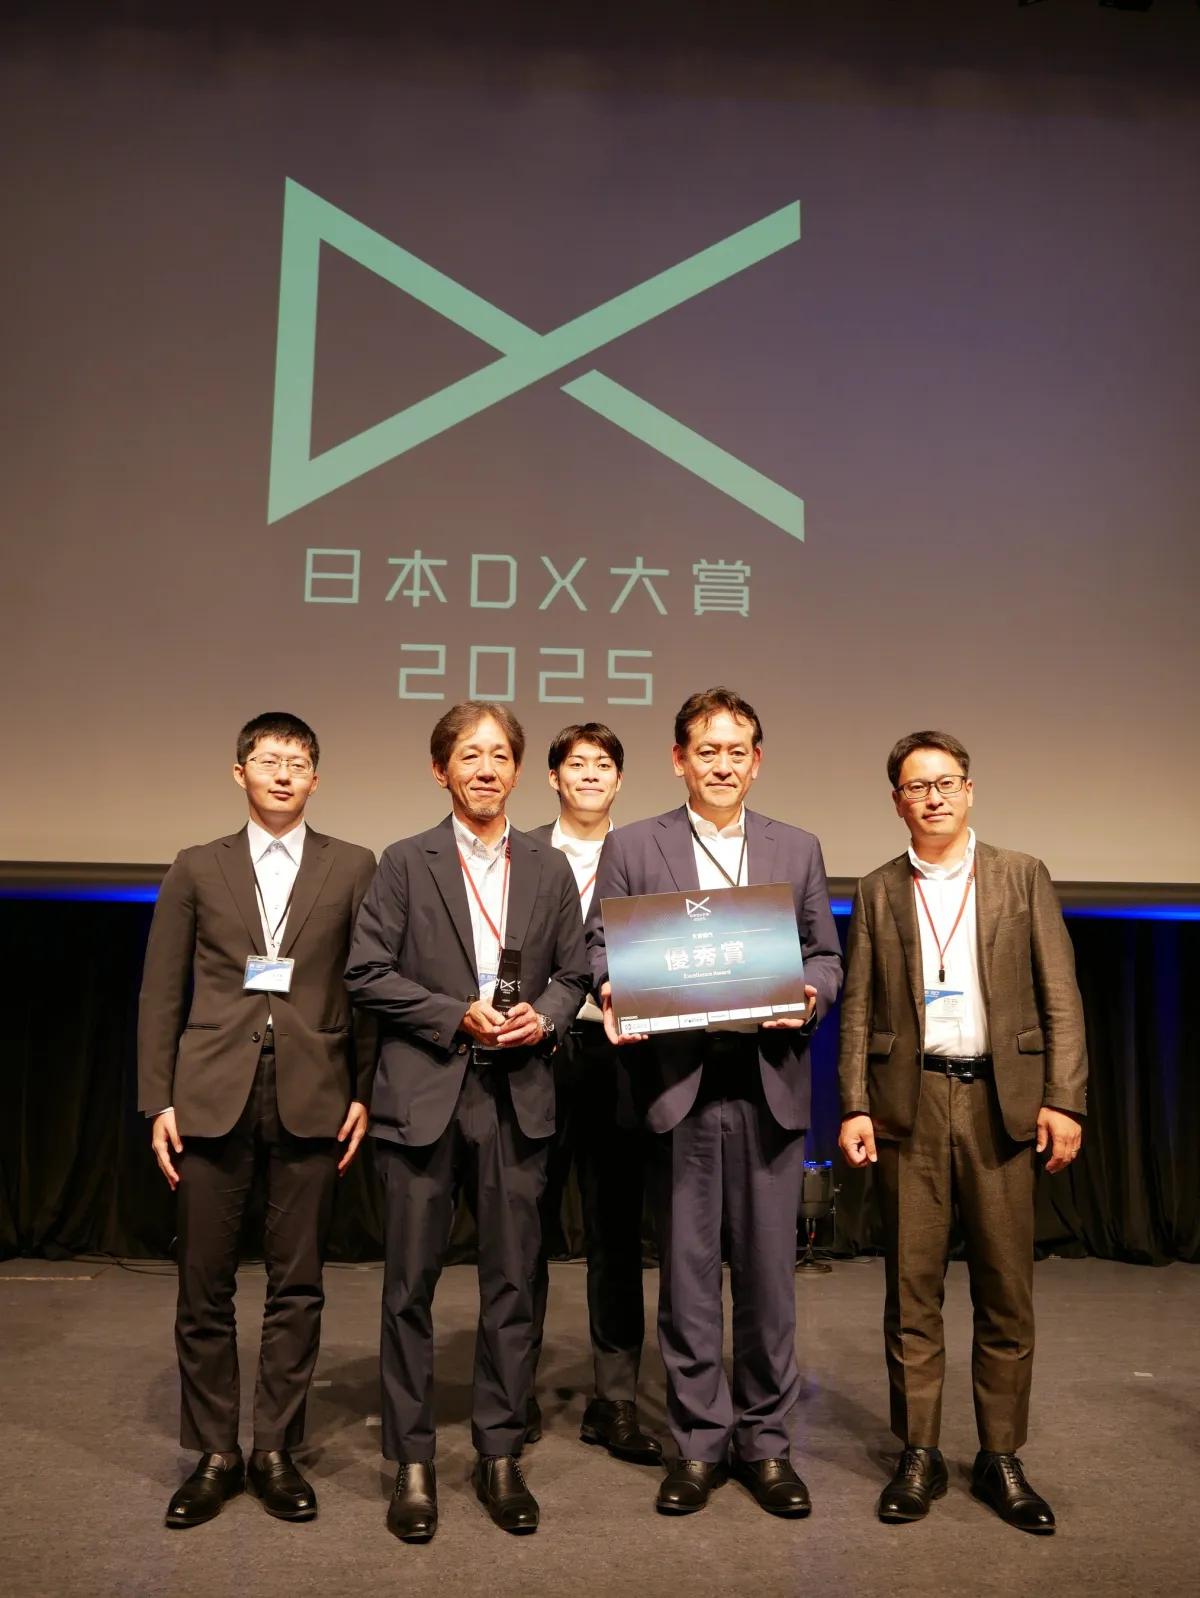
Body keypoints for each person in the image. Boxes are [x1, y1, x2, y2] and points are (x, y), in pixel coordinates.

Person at [586, 688, 843, 1518]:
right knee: (688, 1279)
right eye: (707, 750)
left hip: (768, 1083)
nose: (722, 765)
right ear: (679, 760)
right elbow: (602, 945)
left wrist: (810, 993)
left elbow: (826, 956)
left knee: (770, 1282)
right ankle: (698, 1443)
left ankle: (765, 1444)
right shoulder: (633, 845)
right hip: (679, 1086)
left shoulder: (796, 846)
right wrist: (611, 986)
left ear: (756, 761)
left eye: (737, 751)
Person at [344, 702, 591, 1543]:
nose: (485, 769)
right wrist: (455, 1014)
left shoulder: (549, 867)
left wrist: (544, 1018)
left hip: (517, 1095)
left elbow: (574, 973)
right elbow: (366, 972)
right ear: (440, 769)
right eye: (469, 755)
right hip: (423, 1097)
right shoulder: (403, 862)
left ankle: (499, 1454)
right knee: (408, 1288)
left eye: (499, 756)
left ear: (518, 771)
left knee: (513, 1285)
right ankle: (412, 1462)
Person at [838, 730, 1087, 1534]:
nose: (934, 797)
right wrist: (854, 1104)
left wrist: (1066, 1100)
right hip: (909, 1107)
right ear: (898, 802)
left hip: (1000, 1106)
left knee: (1006, 1291)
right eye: (917, 786)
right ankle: (919, 1452)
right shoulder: (878, 889)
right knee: (911, 1291)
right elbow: (858, 1008)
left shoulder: (1021, 874)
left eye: (946, 782)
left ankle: (1000, 1455)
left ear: (969, 791)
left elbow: (1061, 997)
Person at [138, 712, 377, 1528]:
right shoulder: (197, 866)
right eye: (269, 760)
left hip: (315, 1090)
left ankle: (275, 1447)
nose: (283, 774)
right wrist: (158, 1099)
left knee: (297, 1284)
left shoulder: (353, 865)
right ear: (239, 772)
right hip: (209, 1094)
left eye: (298, 762)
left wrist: (364, 1089)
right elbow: (161, 991)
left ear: (316, 779)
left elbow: (368, 984)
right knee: (203, 1283)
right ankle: (215, 1451)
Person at [526, 723, 661, 1467]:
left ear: (619, 779)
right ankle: (512, 1388)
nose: (589, 775)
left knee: (614, 1233)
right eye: (576, 764)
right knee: (526, 1226)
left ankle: (615, 1400)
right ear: (553, 777)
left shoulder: (646, 854)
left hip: (618, 1054)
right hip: (533, 1054)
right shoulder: (520, 853)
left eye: (603, 764)